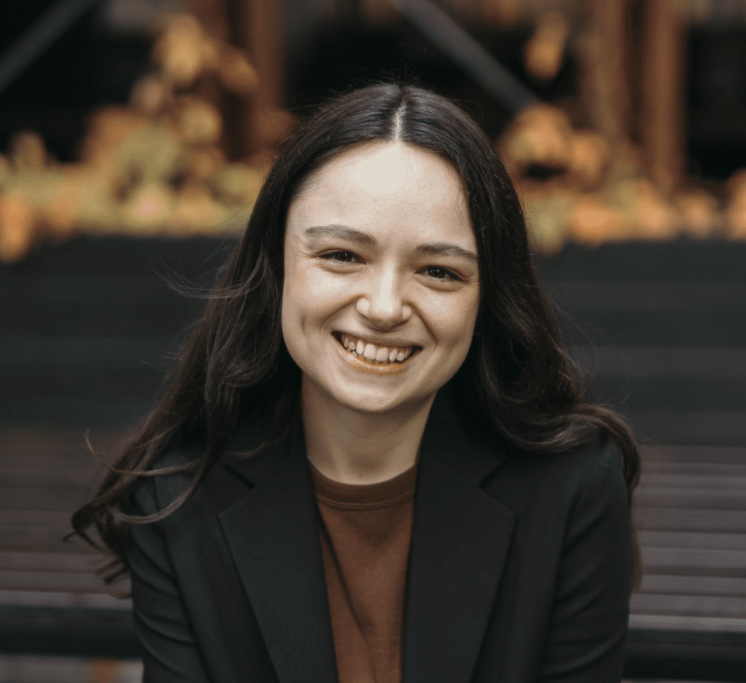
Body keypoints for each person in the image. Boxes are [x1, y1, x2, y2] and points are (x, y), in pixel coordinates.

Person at [72, 83, 640, 683]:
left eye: (439, 271)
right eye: (343, 256)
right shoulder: (178, 496)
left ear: (487, 300)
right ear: (277, 264)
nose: (385, 306)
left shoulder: (572, 486)